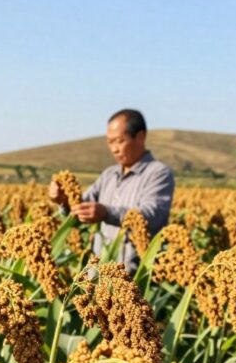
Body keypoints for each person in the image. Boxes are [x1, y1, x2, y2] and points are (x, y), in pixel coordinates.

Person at [48, 109, 175, 271]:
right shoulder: (109, 175)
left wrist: (106, 213)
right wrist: (64, 200)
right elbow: (82, 208)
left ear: (140, 137)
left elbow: (151, 216)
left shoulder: (158, 173)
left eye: (119, 141)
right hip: (99, 274)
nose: (114, 149)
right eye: (110, 142)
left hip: (135, 276)